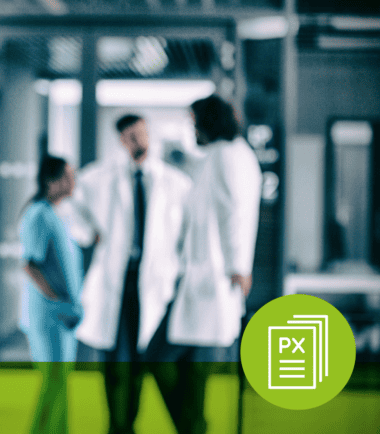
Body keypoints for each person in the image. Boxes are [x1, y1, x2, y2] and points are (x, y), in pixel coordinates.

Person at [69, 114, 192, 434]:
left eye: (140, 133)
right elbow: (73, 210)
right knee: (118, 366)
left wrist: (180, 268)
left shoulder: (176, 183)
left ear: (149, 133)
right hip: (119, 285)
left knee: (156, 364)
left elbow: (189, 236)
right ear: (122, 141)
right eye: (129, 136)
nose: (137, 140)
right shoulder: (100, 178)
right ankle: (120, 427)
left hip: (159, 286)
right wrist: (88, 232)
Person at [151, 94, 262, 433]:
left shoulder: (230, 156)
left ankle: (194, 426)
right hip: (199, 281)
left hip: (216, 281)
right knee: (179, 368)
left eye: (193, 121)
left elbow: (235, 215)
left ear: (208, 122)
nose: (192, 128)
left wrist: (238, 266)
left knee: (173, 363)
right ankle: (192, 426)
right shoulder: (216, 157)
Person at [19, 154, 81, 434]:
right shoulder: (39, 215)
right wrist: (56, 301)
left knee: (60, 382)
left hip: (62, 315)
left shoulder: (58, 215)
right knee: (53, 381)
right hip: (49, 315)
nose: (73, 181)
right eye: (67, 176)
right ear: (51, 181)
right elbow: (30, 265)